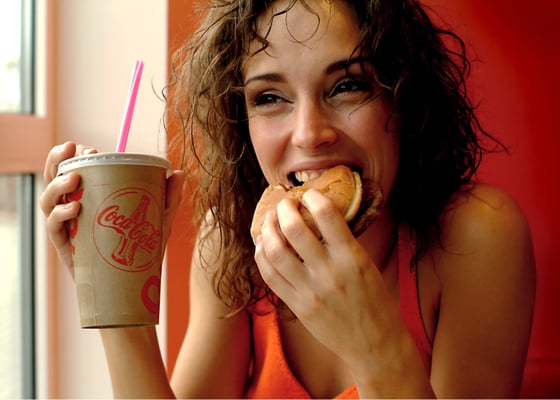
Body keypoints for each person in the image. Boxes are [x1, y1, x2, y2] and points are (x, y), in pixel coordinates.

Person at [40, 0, 536, 398]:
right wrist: (115, 287)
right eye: (270, 97)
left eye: (347, 86)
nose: (309, 133)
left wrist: (374, 345)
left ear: (402, 98)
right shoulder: (232, 239)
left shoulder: (477, 236)